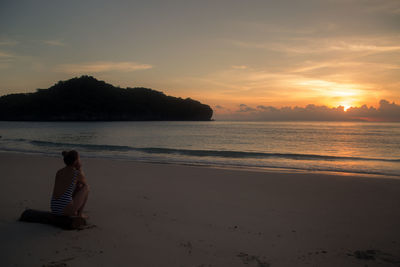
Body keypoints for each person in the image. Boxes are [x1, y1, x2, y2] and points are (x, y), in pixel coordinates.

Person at [50, 150, 89, 218]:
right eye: (79, 158)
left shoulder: (59, 172)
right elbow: (84, 183)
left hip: (54, 208)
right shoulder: (76, 174)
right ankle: (80, 214)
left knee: (77, 186)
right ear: (76, 161)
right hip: (65, 210)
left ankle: (73, 210)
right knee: (86, 188)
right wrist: (79, 168)